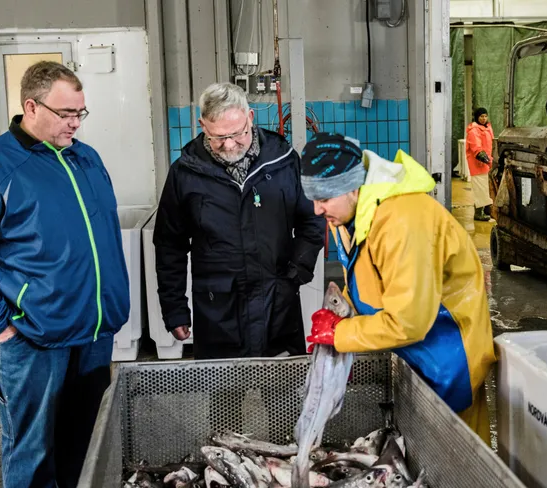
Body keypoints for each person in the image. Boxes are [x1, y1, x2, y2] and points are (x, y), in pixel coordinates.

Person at [0, 61, 130, 487]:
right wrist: (1, 326)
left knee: (87, 446)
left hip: (94, 333)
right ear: (31, 105)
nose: (76, 123)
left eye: (81, 113)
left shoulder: (86, 158)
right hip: (33, 339)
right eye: (66, 114)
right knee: (33, 452)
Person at [298, 132, 497, 443]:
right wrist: (343, 317)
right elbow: (371, 279)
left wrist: (341, 335)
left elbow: (408, 322)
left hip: (447, 357)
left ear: (352, 187)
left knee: (457, 463)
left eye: (323, 199)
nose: (316, 211)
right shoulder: (352, 215)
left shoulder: (402, 221)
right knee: (418, 459)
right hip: (413, 355)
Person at [153, 82, 325, 359]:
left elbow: (313, 219)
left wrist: (298, 269)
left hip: (277, 304)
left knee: (282, 395)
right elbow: (169, 245)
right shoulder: (185, 173)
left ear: (250, 118)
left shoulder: (283, 161)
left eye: (238, 133)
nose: (230, 144)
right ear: (202, 125)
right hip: (218, 311)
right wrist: (174, 309)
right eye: (218, 137)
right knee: (224, 398)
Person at [466, 107, 495, 222]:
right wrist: (486, 159)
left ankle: (487, 210)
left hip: (486, 164)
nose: (483, 118)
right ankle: (479, 213)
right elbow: (476, 148)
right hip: (477, 164)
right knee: (480, 188)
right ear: (477, 117)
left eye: (485, 116)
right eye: (481, 116)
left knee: (486, 188)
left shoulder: (487, 128)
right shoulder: (474, 130)